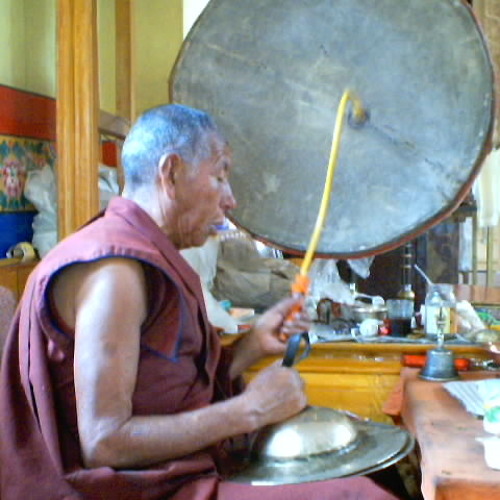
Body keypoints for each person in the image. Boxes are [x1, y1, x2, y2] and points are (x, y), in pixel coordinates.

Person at [0, 104, 407, 499]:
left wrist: (250, 348)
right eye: (220, 177)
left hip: (182, 471)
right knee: (354, 494)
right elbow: (104, 442)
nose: (230, 199)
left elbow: (168, 386)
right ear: (171, 172)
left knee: (381, 472)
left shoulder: (151, 254)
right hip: (141, 490)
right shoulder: (115, 272)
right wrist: (249, 411)